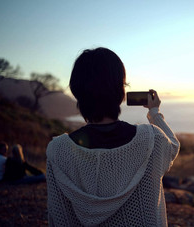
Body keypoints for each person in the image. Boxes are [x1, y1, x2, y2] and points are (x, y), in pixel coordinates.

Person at [46, 47, 180, 226]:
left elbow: (57, 215)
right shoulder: (152, 139)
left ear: (77, 92)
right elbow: (173, 145)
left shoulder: (58, 150)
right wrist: (154, 112)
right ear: (121, 91)